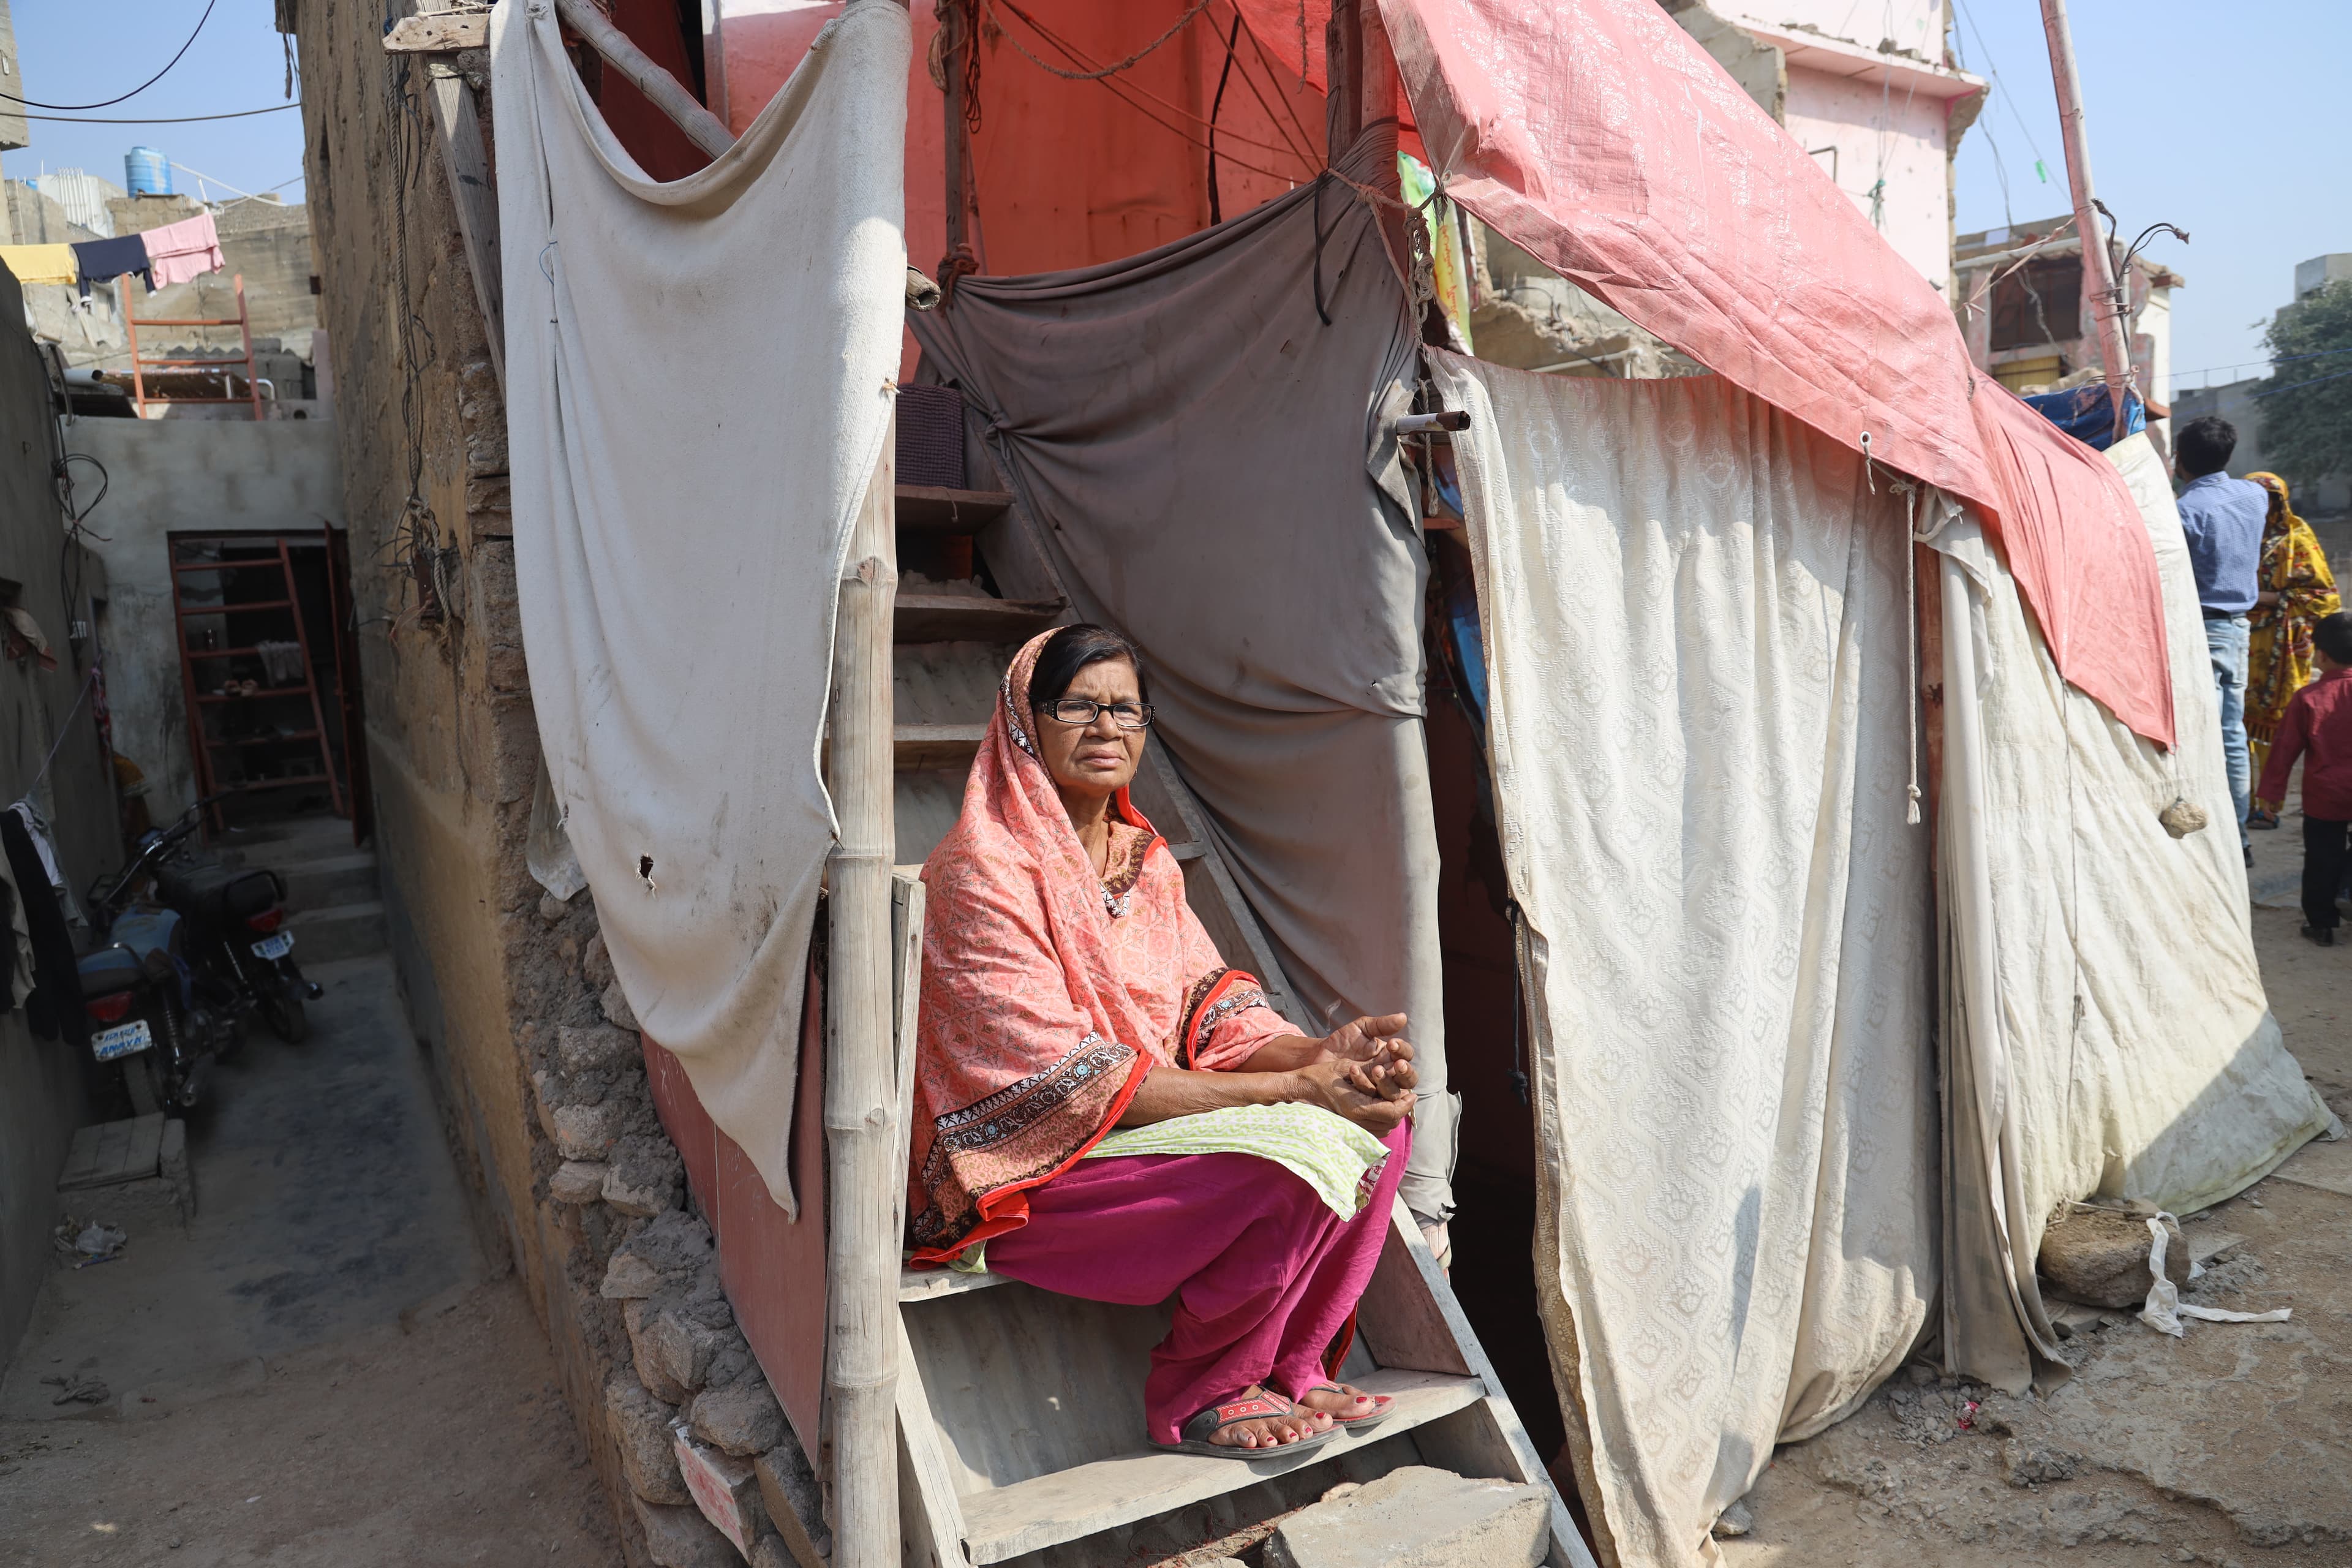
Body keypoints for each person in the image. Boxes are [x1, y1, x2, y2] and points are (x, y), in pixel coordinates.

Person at [907, 624, 1422, 1457]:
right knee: (1283, 1160)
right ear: (1022, 719)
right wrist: (1298, 1092)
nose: (1106, 727)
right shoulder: (982, 873)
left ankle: (1289, 1362)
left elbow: (1211, 1014)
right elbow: (1075, 1085)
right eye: (1077, 704)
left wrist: (1327, 1059)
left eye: (1126, 709)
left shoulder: (1146, 863)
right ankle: (1203, 1391)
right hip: (1025, 1173)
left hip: (1129, 1135)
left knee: (1382, 1126)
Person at [2173, 415, 2270, 864]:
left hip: (2202, 629)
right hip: (2237, 628)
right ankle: (2240, 836)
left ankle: (2220, 838)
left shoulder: (2184, 511)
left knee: (2197, 732)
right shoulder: (2254, 495)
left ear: (2179, 460)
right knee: (2232, 733)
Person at [2242, 472, 2342, 827]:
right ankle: (2241, 805)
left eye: (2265, 499)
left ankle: (2268, 808)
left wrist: (2268, 598)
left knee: (2279, 731)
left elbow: (2324, 597)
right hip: (2239, 640)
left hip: (2280, 650)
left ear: (2278, 501)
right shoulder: (2237, 532)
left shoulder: (2297, 537)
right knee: (2236, 729)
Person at [2253, 611, 2352, 946]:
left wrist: (2271, 794)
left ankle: (2321, 925)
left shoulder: (2308, 698)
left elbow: (2283, 751)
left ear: (2320, 655)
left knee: (2322, 858)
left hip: (2325, 797)